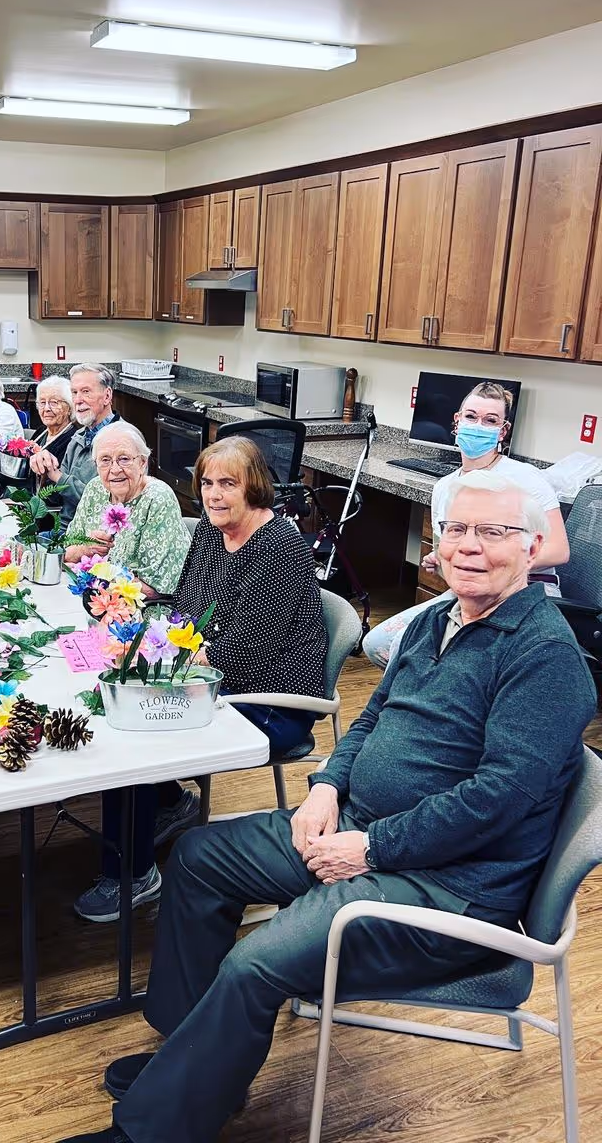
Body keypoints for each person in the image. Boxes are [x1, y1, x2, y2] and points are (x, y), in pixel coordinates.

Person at [62, 470, 597, 1143]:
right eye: (456, 529)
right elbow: (371, 718)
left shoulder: (545, 658)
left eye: (492, 532)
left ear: (535, 544)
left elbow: (497, 801)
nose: (467, 547)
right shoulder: (440, 616)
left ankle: (156, 1130)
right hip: (359, 827)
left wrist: (373, 847)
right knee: (200, 858)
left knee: (257, 962)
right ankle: (195, 1062)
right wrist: (326, 786)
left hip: (444, 886)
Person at [73, 437, 326, 925]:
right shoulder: (213, 533)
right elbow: (186, 608)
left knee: (138, 728)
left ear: (254, 486)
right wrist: (137, 630)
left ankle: (133, 874)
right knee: (120, 697)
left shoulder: (280, 548)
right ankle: (168, 802)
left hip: (272, 700)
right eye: (208, 482)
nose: (214, 494)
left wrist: (155, 661)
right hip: (213, 676)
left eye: (228, 483)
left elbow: (246, 652)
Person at [363, 381, 570, 668]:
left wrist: (489, 561)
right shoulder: (445, 488)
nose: (478, 425)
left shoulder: (525, 479)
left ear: (503, 431)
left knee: (448, 663)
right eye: (471, 417)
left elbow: (559, 551)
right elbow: (451, 558)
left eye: (490, 420)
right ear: (457, 422)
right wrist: (444, 558)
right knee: (381, 645)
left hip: (524, 592)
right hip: (470, 596)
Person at [64, 422, 190, 597]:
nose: (115, 470)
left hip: (139, 611)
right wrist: (85, 549)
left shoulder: (157, 498)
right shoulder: (95, 488)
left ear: (142, 463)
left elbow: (156, 589)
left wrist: (99, 578)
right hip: (89, 595)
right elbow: (67, 553)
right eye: (105, 460)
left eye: (124, 459)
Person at [29, 363, 122, 523]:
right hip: (64, 531)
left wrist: (58, 476)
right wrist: (46, 469)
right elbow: (56, 497)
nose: (78, 400)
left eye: (86, 392)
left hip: (94, 540)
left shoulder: (121, 440)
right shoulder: (79, 436)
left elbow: (105, 504)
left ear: (107, 396)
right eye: (74, 392)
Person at [32, 375, 76, 466]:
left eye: (54, 402)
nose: (46, 408)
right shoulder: (41, 431)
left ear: (69, 408)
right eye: (42, 402)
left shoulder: (72, 440)